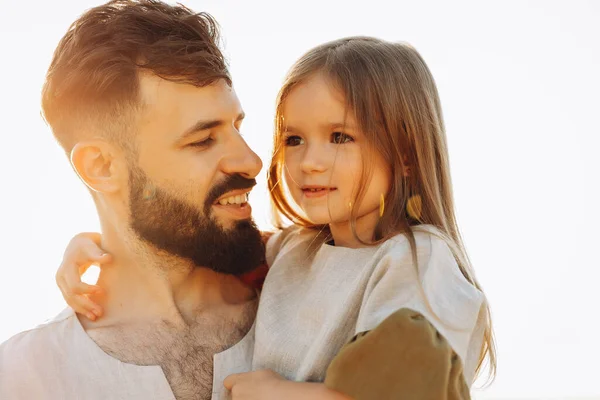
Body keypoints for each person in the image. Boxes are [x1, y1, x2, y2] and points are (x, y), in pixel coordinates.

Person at [55, 36, 497, 399]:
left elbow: (412, 393)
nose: (310, 162)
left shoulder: (418, 261)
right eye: (295, 139)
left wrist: (280, 394)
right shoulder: (292, 250)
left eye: (340, 136)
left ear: (405, 155)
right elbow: (196, 246)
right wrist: (103, 251)